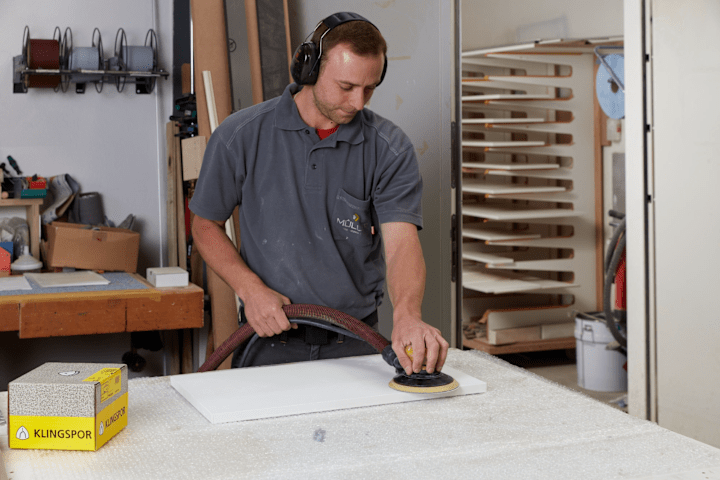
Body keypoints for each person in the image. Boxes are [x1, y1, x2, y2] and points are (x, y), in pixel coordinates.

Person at [189, 12, 448, 376]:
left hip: (355, 342)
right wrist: (250, 289)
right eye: (346, 86)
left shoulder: (389, 148)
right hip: (268, 341)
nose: (359, 102)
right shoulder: (240, 136)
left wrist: (407, 315)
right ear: (308, 69)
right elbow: (205, 225)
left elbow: (402, 243)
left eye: (369, 88)